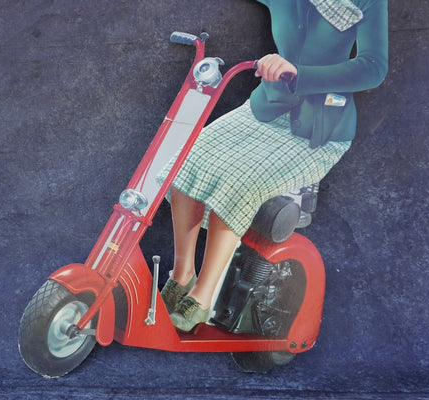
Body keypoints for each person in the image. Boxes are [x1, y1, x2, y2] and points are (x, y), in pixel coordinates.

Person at [159, 0, 388, 332]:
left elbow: (374, 67)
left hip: (317, 129)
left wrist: (299, 73)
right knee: (186, 162)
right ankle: (182, 275)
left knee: (239, 184)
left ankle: (203, 295)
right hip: (264, 110)